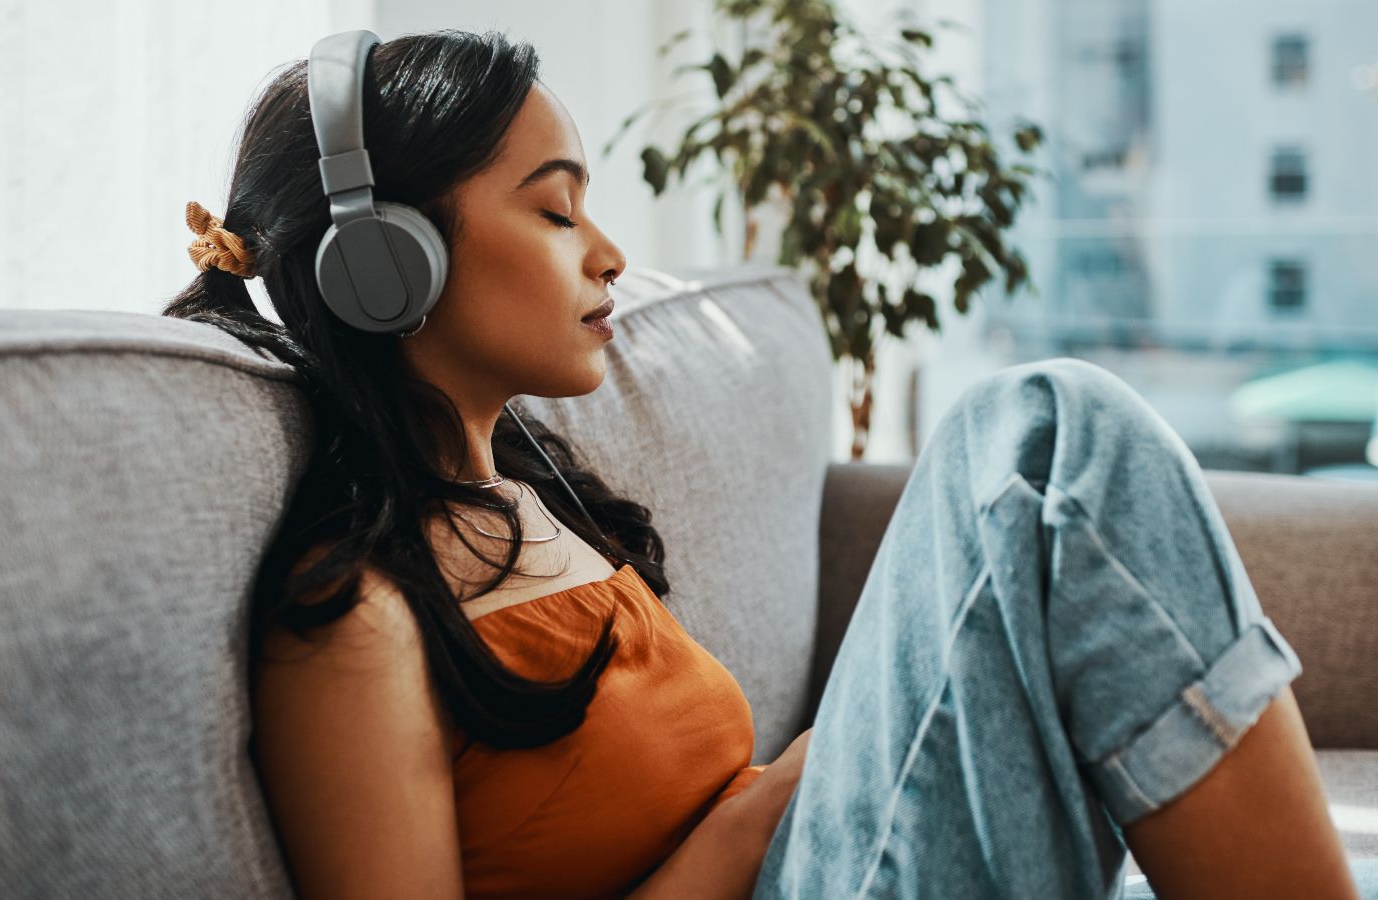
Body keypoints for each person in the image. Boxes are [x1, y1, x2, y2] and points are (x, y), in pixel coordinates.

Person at [162, 28, 1370, 900]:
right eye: (555, 210)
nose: (611, 255)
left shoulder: (535, 505)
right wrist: (744, 826)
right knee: (1044, 439)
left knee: (1051, 438)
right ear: (389, 264)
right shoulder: (354, 623)